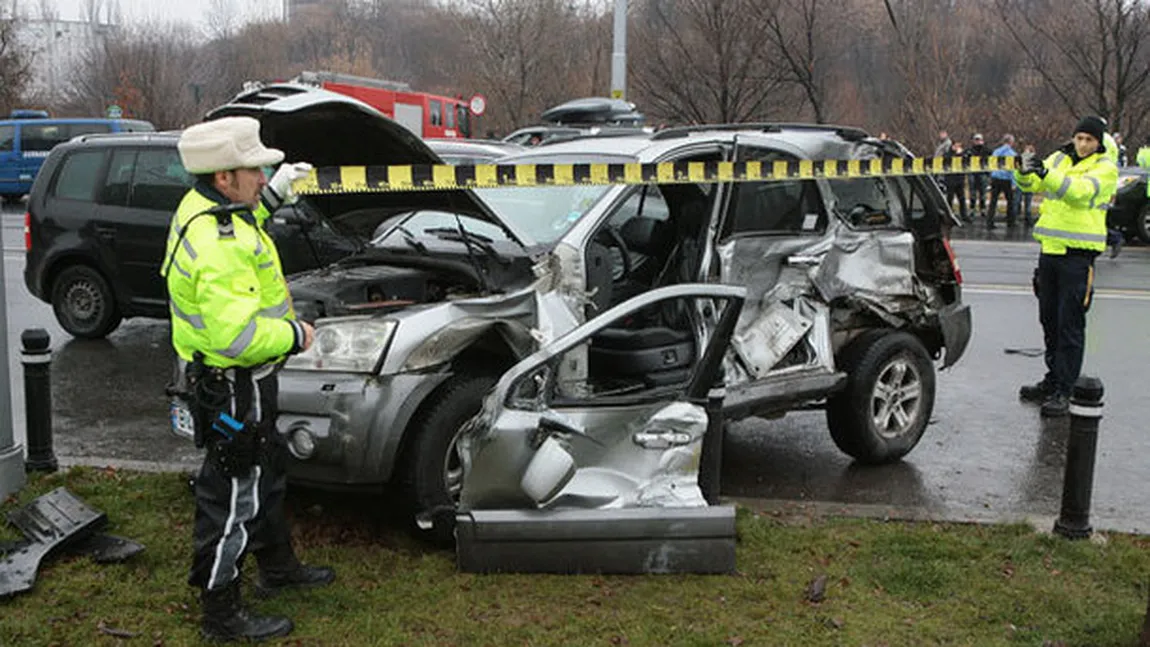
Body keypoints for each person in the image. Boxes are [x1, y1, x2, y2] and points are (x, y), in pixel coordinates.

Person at [162, 116, 335, 642]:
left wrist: (277, 193)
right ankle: (221, 614)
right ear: (223, 177)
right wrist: (294, 335)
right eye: (256, 170)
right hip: (233, 381)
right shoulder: (218, 243)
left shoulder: (215, 209)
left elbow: (248, 218)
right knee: (232, 494)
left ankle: (277, 566)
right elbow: (235, 337)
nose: (263, 176)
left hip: (245, 381)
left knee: (266, 470)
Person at [1014, 115, 1117, 417]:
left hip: (1078, 255)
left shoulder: (1105, 168)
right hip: (1051, 251)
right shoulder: (1060, 157)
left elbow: (1078, 192)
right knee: (1049, 320)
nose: (1083, 144)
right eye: (1079, 138)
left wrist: (1046, 173)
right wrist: (1023, 172)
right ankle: (1053, 379)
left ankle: (1065, 388)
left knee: (1069, 324)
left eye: (1089, 140)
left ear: (1098, 142)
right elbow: (1033, 182)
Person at [988, 134, 1018, 229]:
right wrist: (1014, 183)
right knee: (1010, 201)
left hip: (996, 178)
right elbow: (1013, 170)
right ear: (1011, 142)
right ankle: (1010, 222)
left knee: (993, 201)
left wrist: (991, 176)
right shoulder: (1012, 154)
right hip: (1006, 179)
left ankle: (989, 222)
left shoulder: (996, 152)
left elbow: (991, 164)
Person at [943, 140, 969, 221]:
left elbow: (966, 162)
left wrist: (961, 154)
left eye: (959, 146)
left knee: (962, 199)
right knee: (950, 198)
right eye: (956, 146)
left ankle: (964, 215)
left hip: (960, 180)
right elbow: (948, 161)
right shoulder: (948, 154)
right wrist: (957, 154)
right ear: (952, 146)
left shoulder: (963, 154)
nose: (958, 148)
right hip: (950, 180)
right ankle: (949, 215)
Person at [968, 133, 990, 219]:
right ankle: (972, 209)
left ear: (982, 141)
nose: (978, 142)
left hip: (983, 174)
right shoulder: (970, 151)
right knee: (972, 193)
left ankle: (983, 209)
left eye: (979, 140)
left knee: (983, 193)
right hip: (972, 174)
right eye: (976, 140)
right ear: (973, 141)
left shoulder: (987, 150)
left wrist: (988, 173)